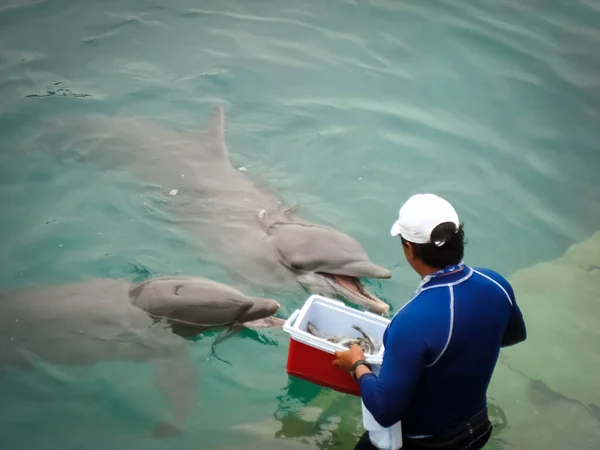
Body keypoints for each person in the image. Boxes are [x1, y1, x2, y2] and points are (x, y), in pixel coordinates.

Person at [333, 193, 527, 450]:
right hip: (477, 429)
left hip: (425, 443)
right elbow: (514, 336)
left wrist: (356, 364)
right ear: (459, 237)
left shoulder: (411, 321)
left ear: (409, 248)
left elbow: (384, 410)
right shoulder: (495, 284)